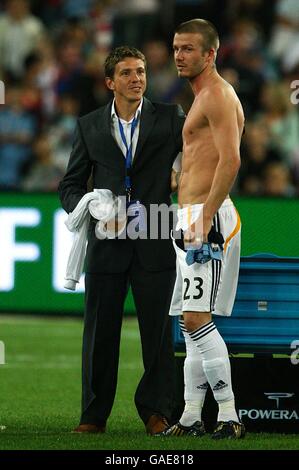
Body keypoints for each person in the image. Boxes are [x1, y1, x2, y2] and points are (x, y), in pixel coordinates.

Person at [58, 46, 185, 435]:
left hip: (154, 239)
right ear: (110, 82)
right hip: (107, 244)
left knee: (159, 336)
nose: (137, 79)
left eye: (142, 71)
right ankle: (93, 416)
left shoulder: (169, 118)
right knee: (99, 333)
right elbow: (69, 186)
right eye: (127, 73)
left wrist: (182, 174)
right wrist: (91, 207)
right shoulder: (90, 126)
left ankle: (158, 412)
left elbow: (197, 158)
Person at [159, 19, 245, 439]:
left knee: (196, 317)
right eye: (176, 47)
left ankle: (229, 415)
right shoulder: (199, 97)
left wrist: (205, 216)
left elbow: (231, 160)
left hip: (205, 217)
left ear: (211, 53)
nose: (179, 55)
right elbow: (202, 156)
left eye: (189, 49)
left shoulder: (217, 95)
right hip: (189, 215)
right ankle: (192, 416)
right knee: (187, 323)